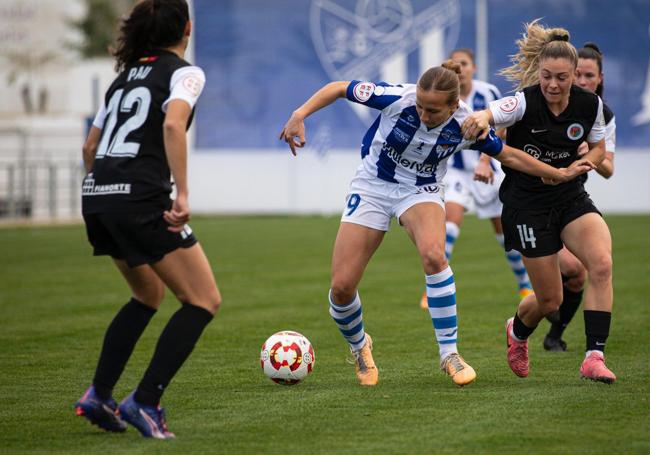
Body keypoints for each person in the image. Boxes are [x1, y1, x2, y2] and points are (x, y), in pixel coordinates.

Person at [279, 61, 591, 387]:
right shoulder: (396, 98)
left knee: (434, 255)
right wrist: (300, 115)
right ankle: (360, 346)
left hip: (421, 189)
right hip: (372, 185)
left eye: (433, 110)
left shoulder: (466, 122)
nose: (424, 115)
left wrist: (556, 173)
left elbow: (508, 155)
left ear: (453, 105)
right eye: (421, 107)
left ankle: (449, 354)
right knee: (342, 288)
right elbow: (340, 87)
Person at [75, 0, 221, 438]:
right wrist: (183, 193)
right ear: (188, 27)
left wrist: (106, 191)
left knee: (147, 295)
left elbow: (89, 149)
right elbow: (173, 127)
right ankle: (145, 400)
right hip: (141, 200)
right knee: (202, 300)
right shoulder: (184, 72)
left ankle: (99, 394)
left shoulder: (121, 80)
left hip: (99, 197)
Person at [461, 20, 617, 383]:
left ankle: (594, 356)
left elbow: (598, 149)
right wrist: (479, 118)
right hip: (527, 205)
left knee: (602, 264)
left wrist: (586, 162)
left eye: (562, 77)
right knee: (550, 301)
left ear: (575, 74)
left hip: (570, 196)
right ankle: (517, 333)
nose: (552, 84)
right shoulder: (523, 102)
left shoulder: (589, 105)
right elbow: (491, 115)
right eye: (546, 76)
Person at [418, 48, 533, 310]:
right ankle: (432, 289)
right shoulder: (442, 97)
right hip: (456, 171)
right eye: (457, 63)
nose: (462, 68)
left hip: (488, 166)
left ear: (473, 68)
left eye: (465, 63)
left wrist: (485, 161)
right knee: (450, 223)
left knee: (504, 232)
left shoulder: (487, 93)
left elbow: (502, 126)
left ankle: (524, 284)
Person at [543, 42, 617, 352]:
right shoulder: (546, 100)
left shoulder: (600, 113)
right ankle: (525, 325)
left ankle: (557, 337)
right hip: (533, 202)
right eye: (579, 75)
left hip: (570, 199)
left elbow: (609, 168)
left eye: (590, 75)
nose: (583, 81)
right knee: (552, 293)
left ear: (600, 78)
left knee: (585, 270)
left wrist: (594, 153)